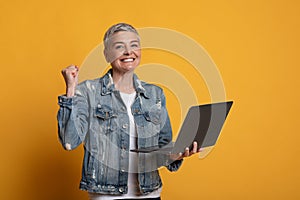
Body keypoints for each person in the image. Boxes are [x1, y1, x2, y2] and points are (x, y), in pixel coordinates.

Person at [57, 23, 201, 200]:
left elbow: (162, 147)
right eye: (119, 47)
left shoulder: (154, 94)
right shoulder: (88, 91)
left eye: (134, 45)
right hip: (106, 196)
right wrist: (70, 91)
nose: (128, 52)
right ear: (107, 54)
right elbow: (69, 141)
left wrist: (175, 154)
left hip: (150, 194)